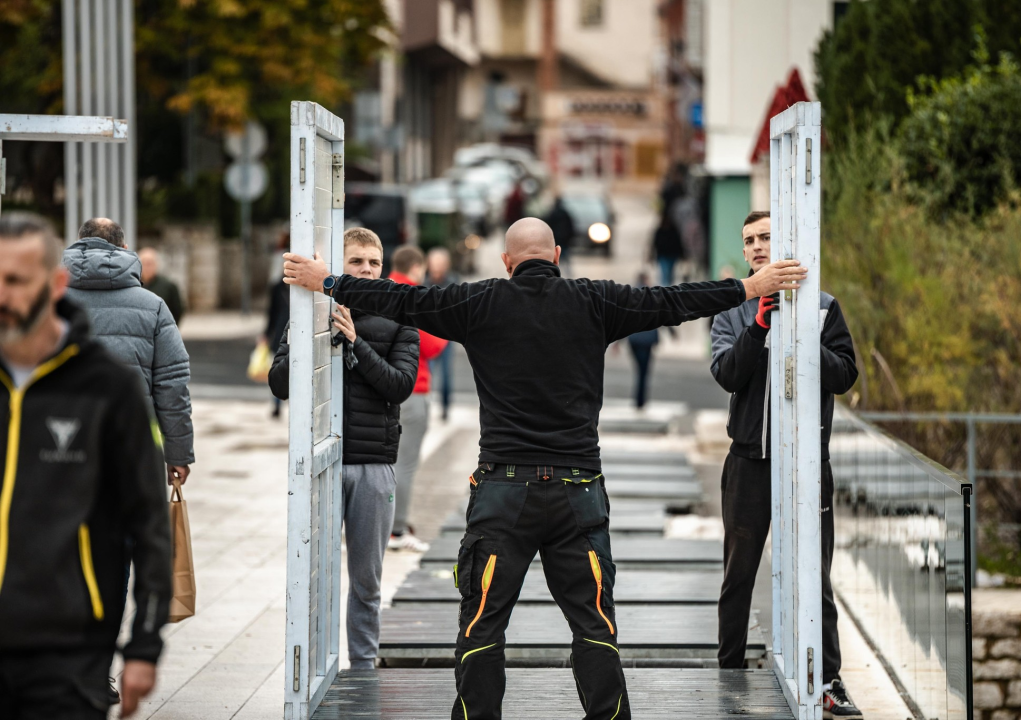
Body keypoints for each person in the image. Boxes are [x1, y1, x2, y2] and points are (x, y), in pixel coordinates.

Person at [283, 217, 806, 720]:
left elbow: (400, 298)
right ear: (556, 257)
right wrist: (750, 285)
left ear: (506, 261)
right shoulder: (595, 300)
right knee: (594, 626)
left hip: (502, 493)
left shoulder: (477, 300)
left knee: (483, 626)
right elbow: (671, 302)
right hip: (578, 492)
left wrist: (326, 281)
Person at [0, 213, 171, 719]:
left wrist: (144, 647)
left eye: (15, 281)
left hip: (69, 647)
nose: (3, 296)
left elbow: (149, 524)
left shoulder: (106, 387)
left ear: (56, 284)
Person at [710, 210, 861, 719]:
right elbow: (728, 375)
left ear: (788, 242)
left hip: (807, 466)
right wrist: (759, 323)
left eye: (767, 237)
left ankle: (829, 682)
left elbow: (845, 375)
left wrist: (801, 334)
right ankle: (728, 672)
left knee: (815, 576)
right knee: (739, 575)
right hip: (748, 463)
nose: (756, 247)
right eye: (749, 239)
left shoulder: (823, 307)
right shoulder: (732, 311)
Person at [269, 227, 419, 668]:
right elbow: (280, 384)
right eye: (357, 262)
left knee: (367, 582)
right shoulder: (311, 310)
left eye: (373, 262)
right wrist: (311, 336)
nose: (367, 270)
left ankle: (364, 667)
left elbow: (401, 385)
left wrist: (356, 342)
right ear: (339, 265)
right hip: (323, 462)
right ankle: (316, 669)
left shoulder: (398, 315)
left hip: (374, 466)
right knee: (316, 576)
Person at [64, 218, 194, 486]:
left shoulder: (50, 304)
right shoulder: (154, 306)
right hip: (135, 440)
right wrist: (178, 454)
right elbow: (172, 386)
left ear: (78, 247)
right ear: (123, 248)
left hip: (62, 442)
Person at [387, 246, 448, 553]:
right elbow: (433, 345)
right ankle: (396, 530)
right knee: (406, 463)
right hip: (414, 388)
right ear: (416, 268)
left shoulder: (380, 291)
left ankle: (385, 524)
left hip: (384, 388)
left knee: (386, 461)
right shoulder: (412, 296)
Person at [425, 247, 459, 421]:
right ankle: (425, 405)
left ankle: (445, 408)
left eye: (440, 264)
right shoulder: (423, 283)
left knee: (446, 376)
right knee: (426, 373)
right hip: (428, 335)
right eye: (434, 263)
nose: (436, 268)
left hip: (446, 337)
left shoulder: (453, 282)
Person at [264, 231, 291, 418]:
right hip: (280, 332)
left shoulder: (307, 287)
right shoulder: (277, 288)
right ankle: (276, 405)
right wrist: (265, 334)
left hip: (297, 332)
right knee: (279, 369)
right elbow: (271, 312)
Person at [625, 275, 659, 410]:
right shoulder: (651, 296)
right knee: (643, 372)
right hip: (647, 340)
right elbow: (662, 314)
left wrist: (617, 342)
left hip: (634, 339)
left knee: (639, 370)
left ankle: (639, 399)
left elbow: (623, 319)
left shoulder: (630, 297)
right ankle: (640, 400)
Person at [137, 247, 185, 325]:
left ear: (156, 264)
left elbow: (177, 311)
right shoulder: (133, 285)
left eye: (150, 263)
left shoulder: (169, 286)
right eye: (144, 263)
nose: (147, 267)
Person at [652, 210, 684, 287]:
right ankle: (666, 290)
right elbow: (654, 243)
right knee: (665, 273)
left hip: (672, 255)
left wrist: (682, 254)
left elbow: (678, 243)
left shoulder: (673, 230)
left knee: (670, 273)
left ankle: (668, 289)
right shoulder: (660, 231)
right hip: (663, 255)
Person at [545, 195, 575, 270]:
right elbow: (571, 226)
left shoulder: (552, 213)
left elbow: (548, 225)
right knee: (565, 255)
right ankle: (567, 269)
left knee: (557, 254)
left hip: (556, 238)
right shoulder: (565, 213)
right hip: (564, 238)